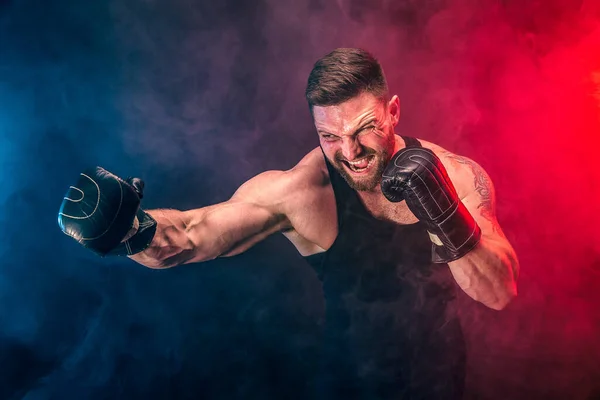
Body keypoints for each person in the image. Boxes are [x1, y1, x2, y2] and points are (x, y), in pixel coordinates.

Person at [58, 48, 519, 399]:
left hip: (442, 383)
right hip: (346, 383)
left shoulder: (457, 176)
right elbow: (188, 238)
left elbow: (499, 293)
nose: (351, 152)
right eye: (330, 136)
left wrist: (442, 208)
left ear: (393, 111)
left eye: (364, 129)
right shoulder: (303, 191)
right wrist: (127, 229)